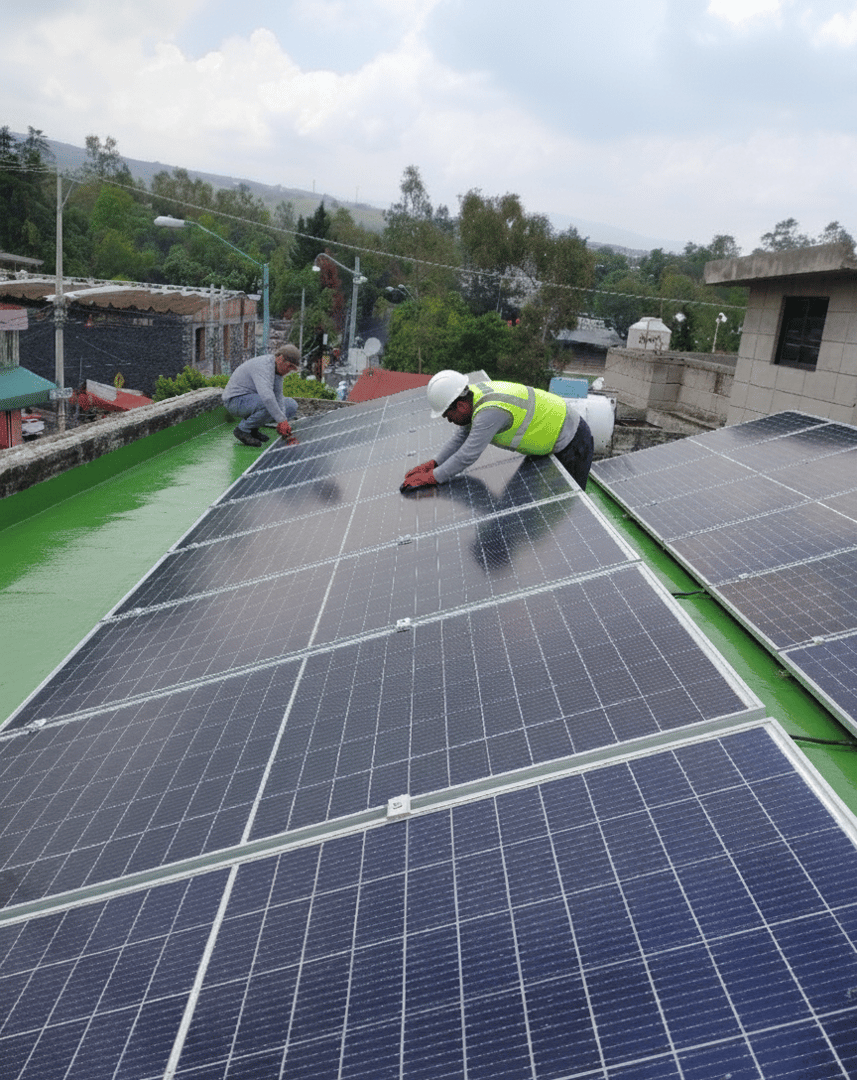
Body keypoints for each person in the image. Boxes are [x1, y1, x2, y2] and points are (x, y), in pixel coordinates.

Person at [400, 370, 594, 493]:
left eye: (448, 415)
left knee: (568, 501)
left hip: (572, 441)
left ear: (460, 406)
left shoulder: (490, 412)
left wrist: (432, 477)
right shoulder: (472, 394)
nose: (449, 420)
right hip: (557, 432)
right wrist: (433, 463)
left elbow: (467, 455)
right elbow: (461, 437)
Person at [222, 344, 301, 447]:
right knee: (267, 404)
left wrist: (282, 420)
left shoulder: (277, 371)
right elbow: (267, 397)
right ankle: (242, 430)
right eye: (289, 366)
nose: (289, 370)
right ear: (280, 359)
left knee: (291, 405)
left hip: (251, 401)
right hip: (235, 401)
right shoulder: (263, 366)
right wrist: (281, 421)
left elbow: (278, 396)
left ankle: (253, 429)